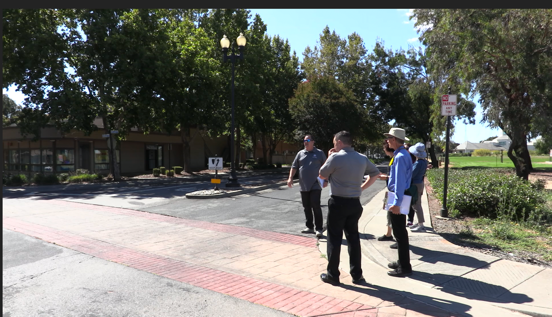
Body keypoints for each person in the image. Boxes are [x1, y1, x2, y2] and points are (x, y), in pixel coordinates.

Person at [318, 131, 381, 286]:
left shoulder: (335, 157)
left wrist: (329, 156)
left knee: (334, 239)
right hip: (354, 203)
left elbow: (322, 174)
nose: (333, 146)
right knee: (353, 239)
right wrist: (361, 188)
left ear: (339, 142)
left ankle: (333, 275)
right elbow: (375, 174)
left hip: (338, 202)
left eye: (334, 143)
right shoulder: (362, 158)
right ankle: (357, 275)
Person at [383, 127, 413, 277]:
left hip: (398, 197)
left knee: (400, 232)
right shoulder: (401, 154)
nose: (387, 140)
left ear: (394, 139)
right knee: (399, 231)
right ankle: (402, 262)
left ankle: (405, 267)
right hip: (399, 195)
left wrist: (396, 202)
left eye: (389, 138)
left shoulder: (400, 156)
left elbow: (400, 182)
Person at [287, 134, 327, 238]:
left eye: (308, 140)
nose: (305, 142)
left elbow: (326, 166)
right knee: (306, 207)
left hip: (316, 184)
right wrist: (290, 178)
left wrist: (326, 179)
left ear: (313, 142)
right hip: (303, 185)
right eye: (304, 140)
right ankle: (309, 227)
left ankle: (319, 229)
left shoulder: (319, 153)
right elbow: (294, 166)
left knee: (316, 206)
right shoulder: (300, 153)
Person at [376, 141, 395, 242]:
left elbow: (397, 177)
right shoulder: (393, 158)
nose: (383, 149)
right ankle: (388, 234)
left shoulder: (396, 158)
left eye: (384, 147)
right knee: (389, 213)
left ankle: (396, 237)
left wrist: (386, 177)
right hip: (390, 190)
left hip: (394, 191)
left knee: (394, 215)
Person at [409, 143, 428, 232]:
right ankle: (420, 222)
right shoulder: (424, 162)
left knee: (416, 204)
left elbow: (411, 174)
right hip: (420, 183)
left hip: (415, 184)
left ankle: (421, 224)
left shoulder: (418, 163)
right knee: (417, 204)